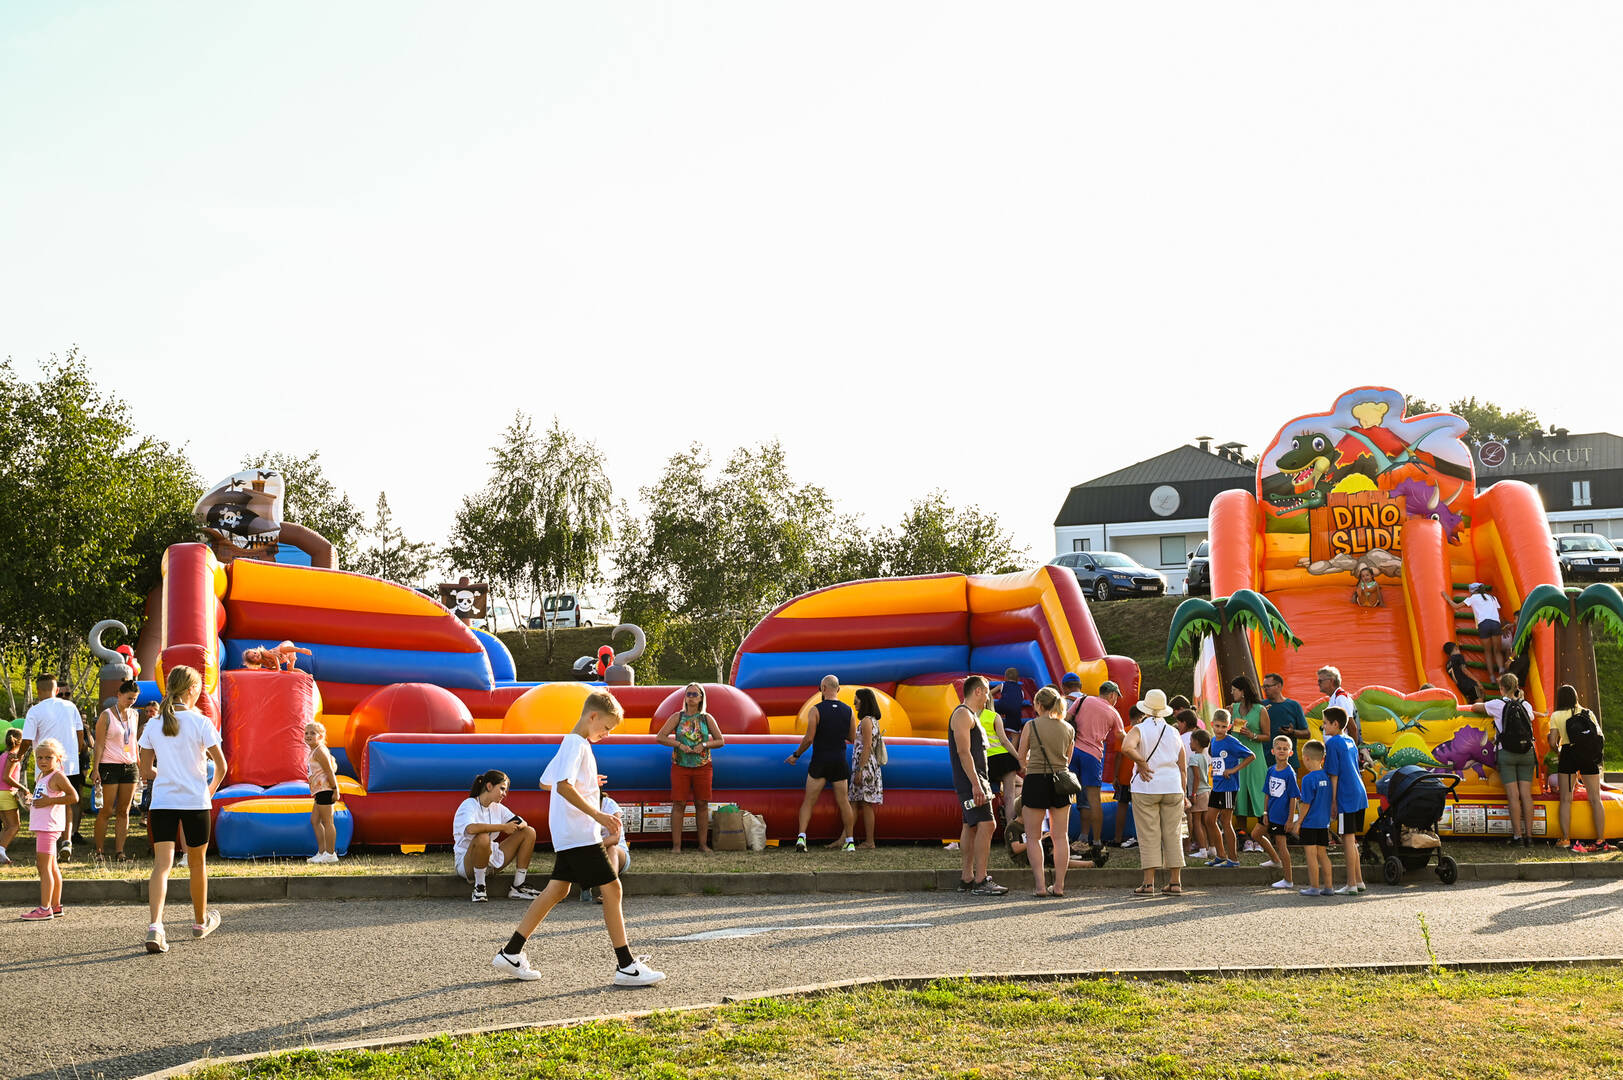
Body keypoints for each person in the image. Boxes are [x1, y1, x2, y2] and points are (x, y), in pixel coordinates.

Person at [491, 691, 665, 987]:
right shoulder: (576, 743)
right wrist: (599, 815)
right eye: (606, 727)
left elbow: (545, 782)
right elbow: (562, 786)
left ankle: (511, 952)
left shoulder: (571, 744)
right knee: (613, 889)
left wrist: (587, 781)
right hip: (580, 833)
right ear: (592, 716)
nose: (607, 734)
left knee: (557, 890)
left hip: (568, 834)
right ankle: (626, 966)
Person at [137, 665, 227, 952]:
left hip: (163, 802)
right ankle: (200, 922)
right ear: (191, 689)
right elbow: (222, 766)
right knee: (197, 863)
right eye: (199, 688)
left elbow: (145, 770)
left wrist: (166, 774)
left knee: (161, 866)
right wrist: (209, 791)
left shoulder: (153, 724)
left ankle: (155, 926)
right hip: (194, 802)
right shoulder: (201, 722)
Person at [1120, 689, 1189, 897]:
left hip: (1146, 787)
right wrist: (1183, 792)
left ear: (1146, 709)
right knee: (1173, 834)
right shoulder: (1174, 732)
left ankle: (1148, 884)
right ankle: (1175, 882)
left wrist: (1141, 762)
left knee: (1148, 834)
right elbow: (1182, 766)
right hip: (1173, 787)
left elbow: (1126, 747)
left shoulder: (1139, 729)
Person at [1469, 672, 1544, 847]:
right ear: (1517, 687)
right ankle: (1530, 837)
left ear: (1501, 688)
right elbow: (1531, 717)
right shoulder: (1525, 705)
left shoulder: (1497, 704)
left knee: (1513, 795)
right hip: (1527, 752)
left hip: (1506, 752)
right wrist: (1521, 698)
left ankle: (1518, 836)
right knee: (1526, 795)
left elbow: (1475, 708)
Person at [1015, 686, 1075, 897]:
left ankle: (1040, 886)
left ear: (1039, 705)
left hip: (1036, 781)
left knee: (1033, 837)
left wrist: (1028, 765)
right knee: (1061, 837)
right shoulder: (1068, 728)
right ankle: (1059, 886)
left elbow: (1021, 757)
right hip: (1061, 782)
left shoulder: (1031, 725)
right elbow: (1067, 760)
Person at [785, 675, 857, 852]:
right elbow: (852, 737)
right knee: (844, 802)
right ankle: (850, 841)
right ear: (838, 689)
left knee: (809, 801)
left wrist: (796, 755)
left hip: (820, 761)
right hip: (839, 760)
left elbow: (809, 738)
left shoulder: (815, 710)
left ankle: (801, 838)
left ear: (823, 688)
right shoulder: (848, 711)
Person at [949, 676, 1006, 896]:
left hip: (976, 779)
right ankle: (981, 880)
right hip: (971, 780)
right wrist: (976, 784)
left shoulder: (972, 715)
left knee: (970, 826)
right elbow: (963, 752)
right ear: (979, 691)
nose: (989, 696)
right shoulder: (963, 714)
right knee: (988, 824)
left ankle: (967, 878)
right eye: (987, 691)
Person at [19, 675, 87, 858]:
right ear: (56, 690)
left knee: (45, 800)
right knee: (68, 801)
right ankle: (67, 840)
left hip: (45, 765)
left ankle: (49, 838)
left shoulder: (35, 710)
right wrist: (77, 752)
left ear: (38, 691)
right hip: (69, 763)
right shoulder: (70, 706)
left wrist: (18, 756)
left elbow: (27, 740)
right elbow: (80, 732)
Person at [655, 683, 725, 853]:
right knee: (679, 803)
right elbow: (660, 737)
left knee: (702, 804)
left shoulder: (706, 718)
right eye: (688, 694)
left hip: (703, 766)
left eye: (695, 694)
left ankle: (703, 844)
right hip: (680, 765)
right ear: (685, 697)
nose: (691, 697)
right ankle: (676, 846)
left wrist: (704, 745)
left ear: (701, 698)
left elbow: (720, 741)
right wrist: (679, 745)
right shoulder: (677, 717)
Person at [453, 769, 539, 901]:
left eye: (506, 790)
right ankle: (479, 887)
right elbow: (471, 829)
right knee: (483, 837)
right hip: (467, 865)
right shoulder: (469, 804)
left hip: (492, 860)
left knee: (529, 832)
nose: (505, 794)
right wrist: (504, 827)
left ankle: (518, 887)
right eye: (502, 789)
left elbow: (522, 822)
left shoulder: (497, 807)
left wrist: (517, 825)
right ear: (489, 786)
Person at [1547, 684, 1611, 853]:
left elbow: (1552, 741)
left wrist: (1558, 750)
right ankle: (1600, 840)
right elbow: (1599, 736)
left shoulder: (1556, 715)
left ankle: (1565, 839)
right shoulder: (1588, 713)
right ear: (1576, 697)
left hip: (1568, 754)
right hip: (1588, 755)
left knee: (1565, 799)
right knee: (1595, 799)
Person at [17, 738, 75, 920]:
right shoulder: (42, 776)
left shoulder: (57, 776)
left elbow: (73, 797)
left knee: (43, 868)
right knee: (51, 866)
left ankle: (44, 908)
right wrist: (30, 800)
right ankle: (56, 906)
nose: (43, 761)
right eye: (39, 757)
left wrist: (50, 801)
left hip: (48, 827)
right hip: (43, 826)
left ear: (58, 758)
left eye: (48, 757)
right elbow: (42, 800)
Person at [1071, 681, 1124, 859]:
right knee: (1094, 798)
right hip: (1092, 755)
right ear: (1112, 695)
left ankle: (1080, 836)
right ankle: (1097, 841)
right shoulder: (1113, 712)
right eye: (1116, 697)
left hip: (1073, 752)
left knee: (1074, 795)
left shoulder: (1082, 700)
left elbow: (1066, 719)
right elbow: (1120, 736)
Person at [93, 680, 141, 861]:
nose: (131, 702)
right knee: (106, 810)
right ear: (119, 695)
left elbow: (134, 742)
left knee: (124, 810)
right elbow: (99, 744)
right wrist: (95, 768)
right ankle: (99, 851)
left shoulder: (134, 714)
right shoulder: (106, 716)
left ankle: (120, 852)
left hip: (130, 767)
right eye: (129, 698)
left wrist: (139, 765)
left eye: (134, 699)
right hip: (109, 766)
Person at [1321, 707, 1367, 894]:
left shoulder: (1332, 743)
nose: (1323, 726)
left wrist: (1333, 801)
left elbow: (1334, 774)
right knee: (1351, 838)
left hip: (1346, 794)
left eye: (1325, 723)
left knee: (1347, 839)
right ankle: (1358, 881)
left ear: (1335, 724)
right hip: (1359, 793)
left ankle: (1351, 883)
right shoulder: (1350, 740)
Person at [1205, 709, 1253, 868]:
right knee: (1209, 820)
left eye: (1224, 727)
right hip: (1217, 785)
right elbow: (1217, 761)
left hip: (1228, 786)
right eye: (1217, 726)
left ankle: (1233, 859)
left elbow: (1251, 756)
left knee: (1225, 821)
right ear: (1212, 724)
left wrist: (1233, 770)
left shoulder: (1231, 741)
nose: (1220, 730)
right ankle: (1220, 855)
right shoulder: (1213, 740)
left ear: (1229, 726)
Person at [1227, 676, 1270, 852]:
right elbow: (1228, 731)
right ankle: (1244, 837)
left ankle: (1260, 837)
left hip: (1255, 759)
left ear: (1243, 691)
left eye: (1234, 690)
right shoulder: (1233, 708)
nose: (1232, 693)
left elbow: (1267, 736)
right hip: (1238, 759)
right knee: (1241, 797)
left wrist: (1252, 735)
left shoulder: (1260, 710)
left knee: (1259, 796)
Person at [1292, 740, 1334, 896]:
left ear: (1306, 758)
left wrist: (1298, 822)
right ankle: (1329, 887)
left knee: (1311, 855)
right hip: (1324, 823)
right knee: (1322, 855)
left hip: (1310, 823)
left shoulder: (1308, 779)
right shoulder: (1328, 777)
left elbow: (1306, 804)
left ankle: (1314, 887)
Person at [848, 688, 885, 849]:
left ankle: (869, 841)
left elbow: (867, 746)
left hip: (865, 766)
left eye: (856, 699)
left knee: (865, 804)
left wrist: (860, 770)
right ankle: (846, 837)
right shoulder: (872, 720)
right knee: (856, 802)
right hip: (867, 765)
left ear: (864, 702)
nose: (854, 702)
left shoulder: (866, 721)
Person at [1444, 584, 1506, 682]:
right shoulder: (1492, 597)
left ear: (1472, 591)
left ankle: (1492, 677)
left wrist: (1447, 598)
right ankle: (1501, 671)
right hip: (1495, 623)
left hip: (1484, 624)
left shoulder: (1473, 598)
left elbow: (1456, 606)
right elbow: (1498, 612)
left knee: (1488, 652)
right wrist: (1503, 626)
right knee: (1497, 651)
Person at [582, 787, 633, 903]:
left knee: (612, 848)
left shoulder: (609, 805)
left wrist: (591, 846)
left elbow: (615, 838)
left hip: (618, 856)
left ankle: (609, 891)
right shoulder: (580, 807)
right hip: (593, 855)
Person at [1262, 736, 1300, 889]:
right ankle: (1274, 859)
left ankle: (1288, 880)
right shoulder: (1271, 770)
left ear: (1291, 752)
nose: (1282, 751)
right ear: (1273, 751)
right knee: (1256, 833)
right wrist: (1265, 812)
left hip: (1281, 816)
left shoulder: (1290, 773)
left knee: (1282, 846)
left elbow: (1293, 797)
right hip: (1270, 813)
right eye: (1279, 748)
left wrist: (1290, 819)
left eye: (1285, 748)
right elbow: (1267, 793)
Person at [305, 721, 342, 864]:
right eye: (306, 733)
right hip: (319, 791)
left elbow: (329, 770)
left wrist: (335, 789)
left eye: (312, 733)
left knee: (328, 822)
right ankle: (322, 852)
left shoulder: (320, 750)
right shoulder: (314, 751)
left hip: (326, 789)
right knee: (314, 821)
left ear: (320, 736)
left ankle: (331, 854)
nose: (308, 735)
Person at [1261, 673, 1310, 764]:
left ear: (1279, 686)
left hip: (1289, 762)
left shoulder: (1294, 706)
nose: (1265, 689)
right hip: (1265, 761)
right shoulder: (1260, 706)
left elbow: (1307, 734)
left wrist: (1292, 732)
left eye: (1268, 686)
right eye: (1264, 687)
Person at [1185, 727, 1213, 860]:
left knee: (1197, 822)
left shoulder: (1194, 758)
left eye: (1191, 741)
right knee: (1206, 822)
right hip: (1207, 791)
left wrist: (1193, 794)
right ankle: (1211, 848)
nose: (1189, 743)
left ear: (1196, 742)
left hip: (1198, 793)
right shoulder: (1205, 757)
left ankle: (1202, 850)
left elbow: (1196, 777)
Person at [0, 728, 26, 865]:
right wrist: (23, 787)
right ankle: (1, 850)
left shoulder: (3, 755)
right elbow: (6, 777)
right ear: (20, 742)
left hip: (1, 793)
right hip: (6, 793)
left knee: (6, 827)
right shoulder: (13, 756)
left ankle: (1, 851)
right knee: (14, 826)